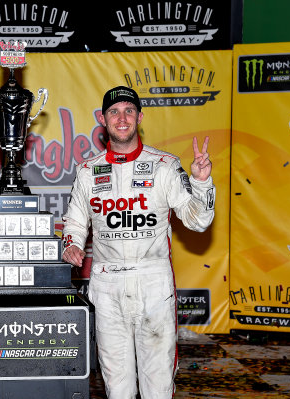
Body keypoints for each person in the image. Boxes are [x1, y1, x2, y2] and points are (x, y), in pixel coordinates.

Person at [62, 86, 215, 399]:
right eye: (114, 111)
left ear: (140, 117)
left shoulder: (165, 165)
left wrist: (201, 182)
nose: (122, 118)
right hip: (106, 284)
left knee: (157, 385)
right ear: (102, 119)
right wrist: (72, 244)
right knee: (116, 385)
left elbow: (197, 221)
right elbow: (76, 220)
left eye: (129, 111)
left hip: (152, 281)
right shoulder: (88, 171)